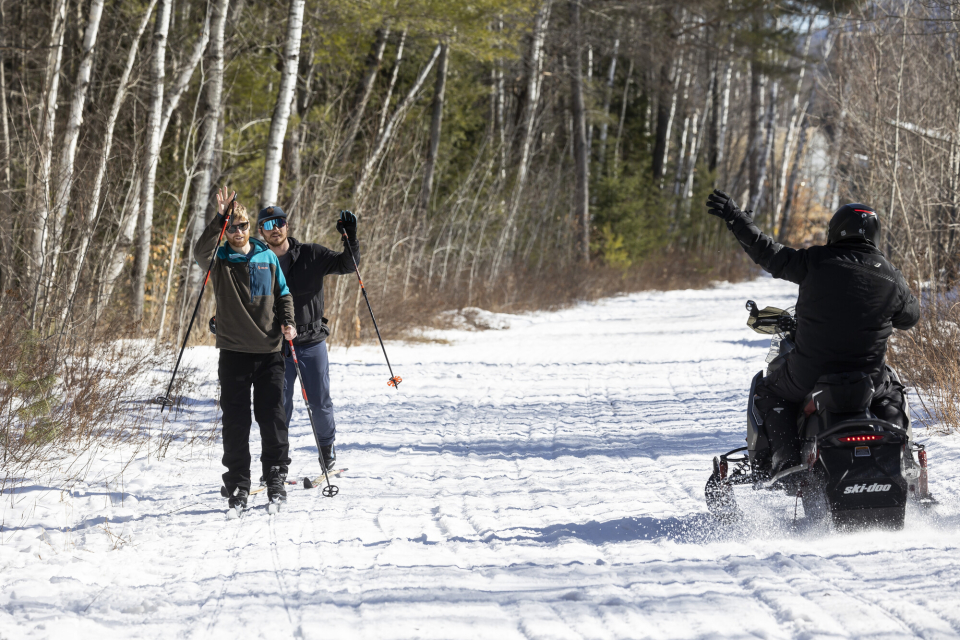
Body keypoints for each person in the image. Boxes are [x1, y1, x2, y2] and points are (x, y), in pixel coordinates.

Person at [706, 190, 920, 475]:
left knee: (768, 390)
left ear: (836, 231)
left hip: (809, 375)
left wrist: (736, 218)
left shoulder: (815, 261)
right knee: (891, 389)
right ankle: (901, 454)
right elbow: (910, 317)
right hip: (867, 375)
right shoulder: (890, 275)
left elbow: (768, 252)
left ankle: (786, 460)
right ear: (874, 234)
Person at [195, 187, 298, 512]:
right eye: (232, 227)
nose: (238, 232)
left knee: (273, 417)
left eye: (242, 226)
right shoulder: (220, 259)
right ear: (227, 231)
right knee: (236, 421)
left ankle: (275, 476)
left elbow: (282, 294)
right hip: (234, 354)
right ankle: (238, 483)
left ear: (250, 229)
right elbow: (200, 250)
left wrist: (288, 322)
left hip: (269, 351)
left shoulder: (265, 257)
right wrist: (220, 218)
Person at [257, 205, 360, 472]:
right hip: (276, 346)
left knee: (320, 402)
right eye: (268, 225)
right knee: (278, 406)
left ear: (287, 225)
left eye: (278, 222)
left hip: (311, 341)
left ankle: (327, 452)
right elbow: (245, 301)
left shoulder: (311, 254)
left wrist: (350, 237)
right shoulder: (257, 263)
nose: (275, 228)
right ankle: (277, 462)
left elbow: (348, 265)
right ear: (261, 232)